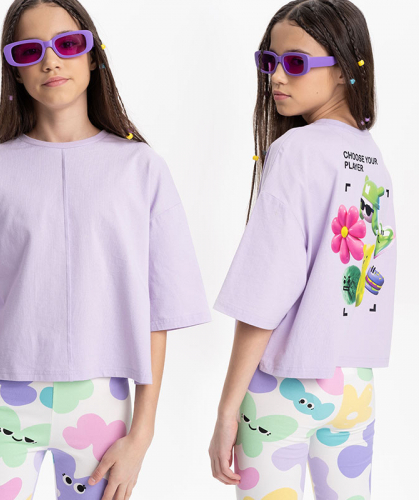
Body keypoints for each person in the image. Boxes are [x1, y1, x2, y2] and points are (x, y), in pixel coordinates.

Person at [0, 1, 211, 499]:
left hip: (101, 406)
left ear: (93, 55)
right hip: (2, 401)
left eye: (68, 44)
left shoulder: (141, 168)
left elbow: (158, 311)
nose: (50, 61)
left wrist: (142, 434)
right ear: (14, 69)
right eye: (29, 51)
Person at [208, 1, 396, 498]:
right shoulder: (371, 155)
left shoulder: (296, 150)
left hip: (285, 389)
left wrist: (227, 410)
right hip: (355, 389)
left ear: (343, 67)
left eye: (295, 62)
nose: (276, 77)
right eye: (269, 61)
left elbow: (264, 294)